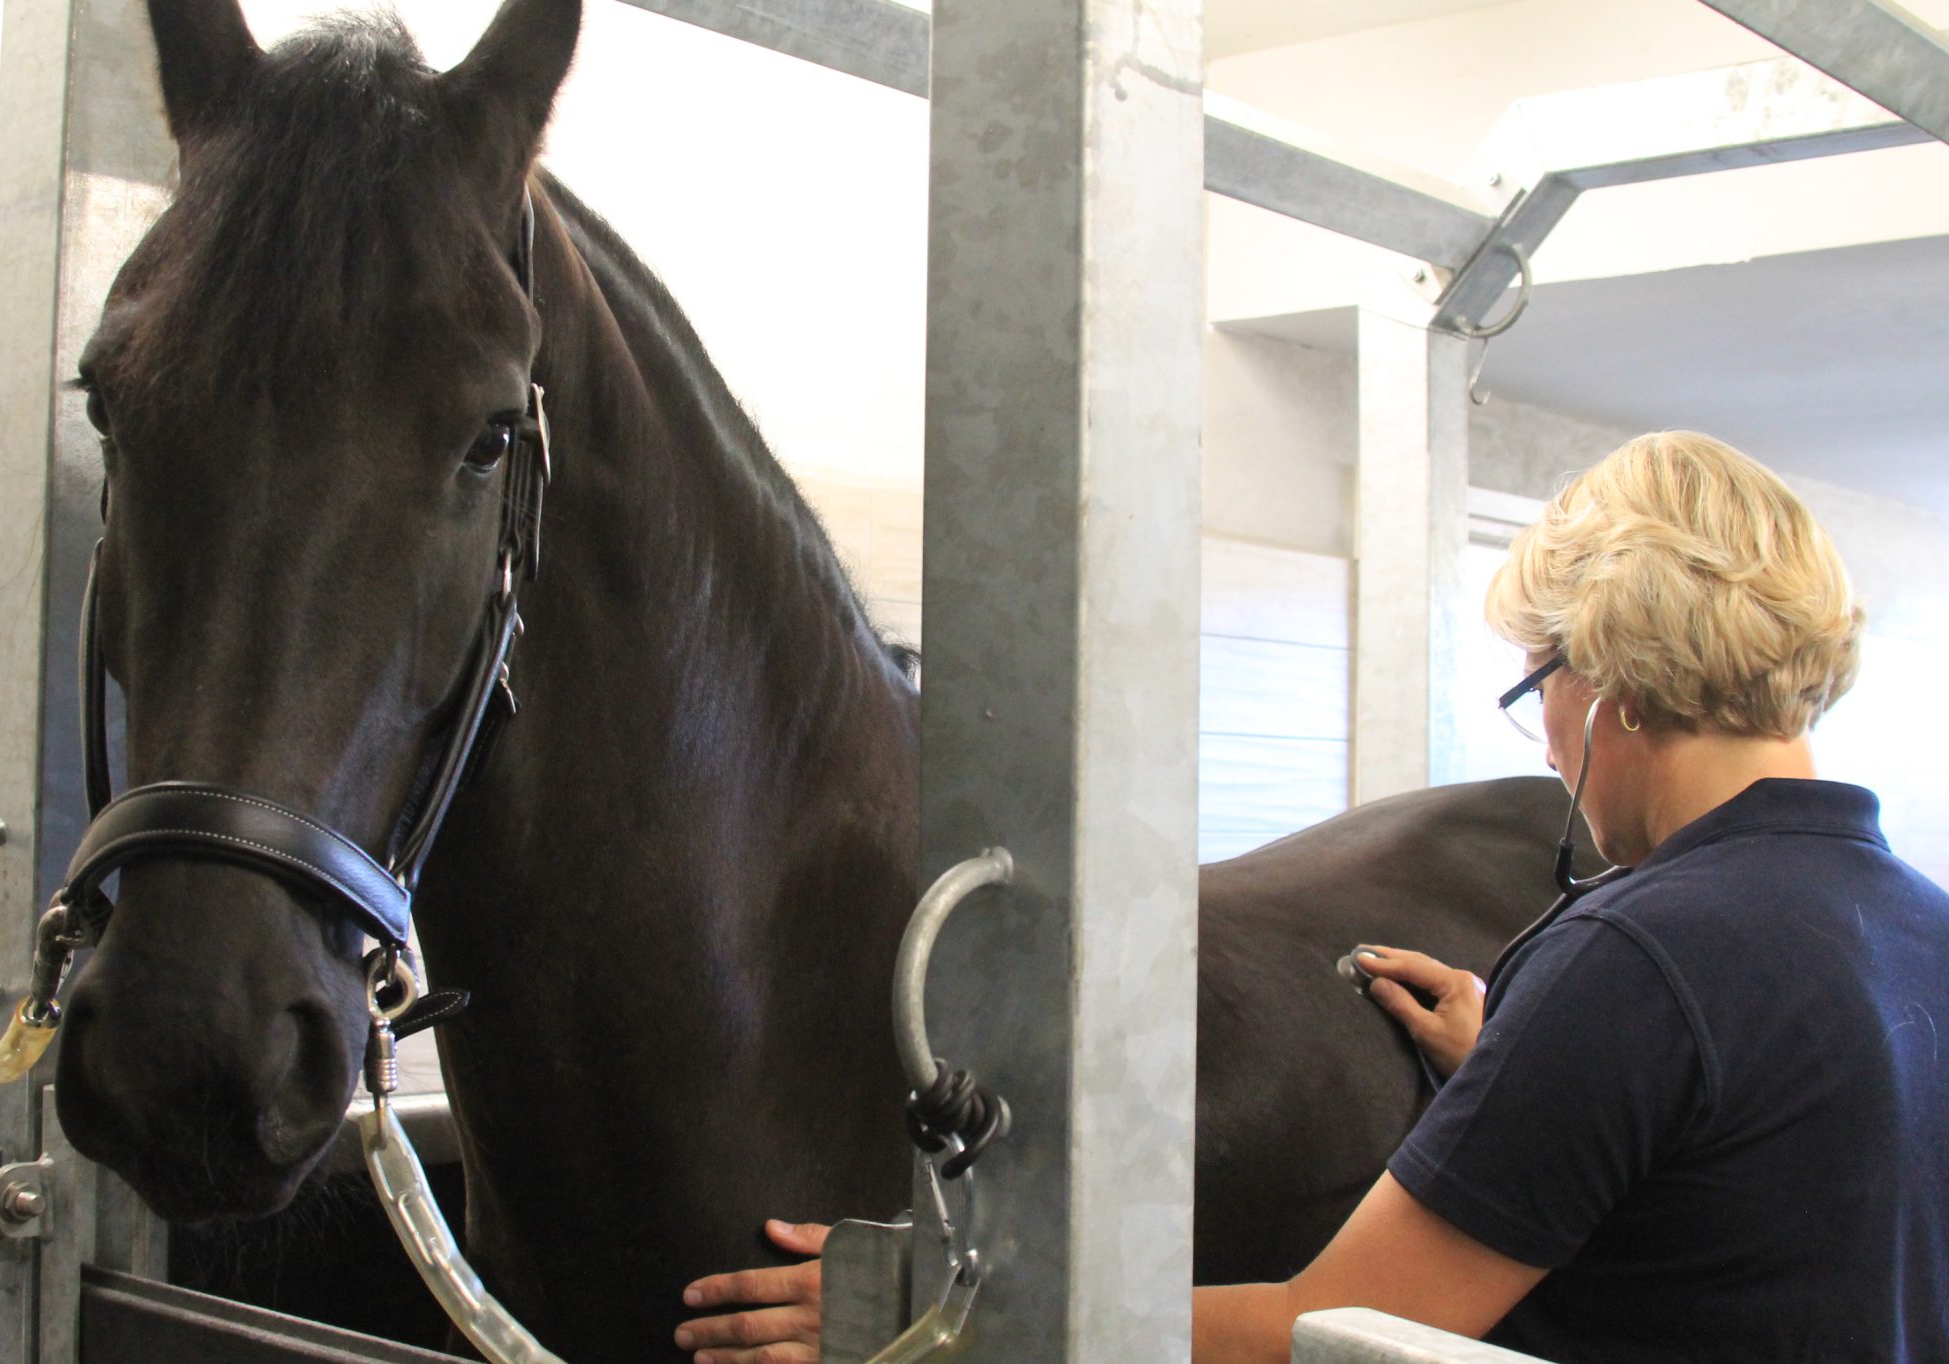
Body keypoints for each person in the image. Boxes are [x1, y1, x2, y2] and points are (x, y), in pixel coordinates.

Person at [672, 432, 1949, 1364]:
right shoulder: (1919, 925)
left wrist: (942, 1310)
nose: (1546, 738)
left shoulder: (1635, 957)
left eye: (1538, 686)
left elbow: (1328, 1325)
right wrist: (1521, 1067)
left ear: (1606, 680)